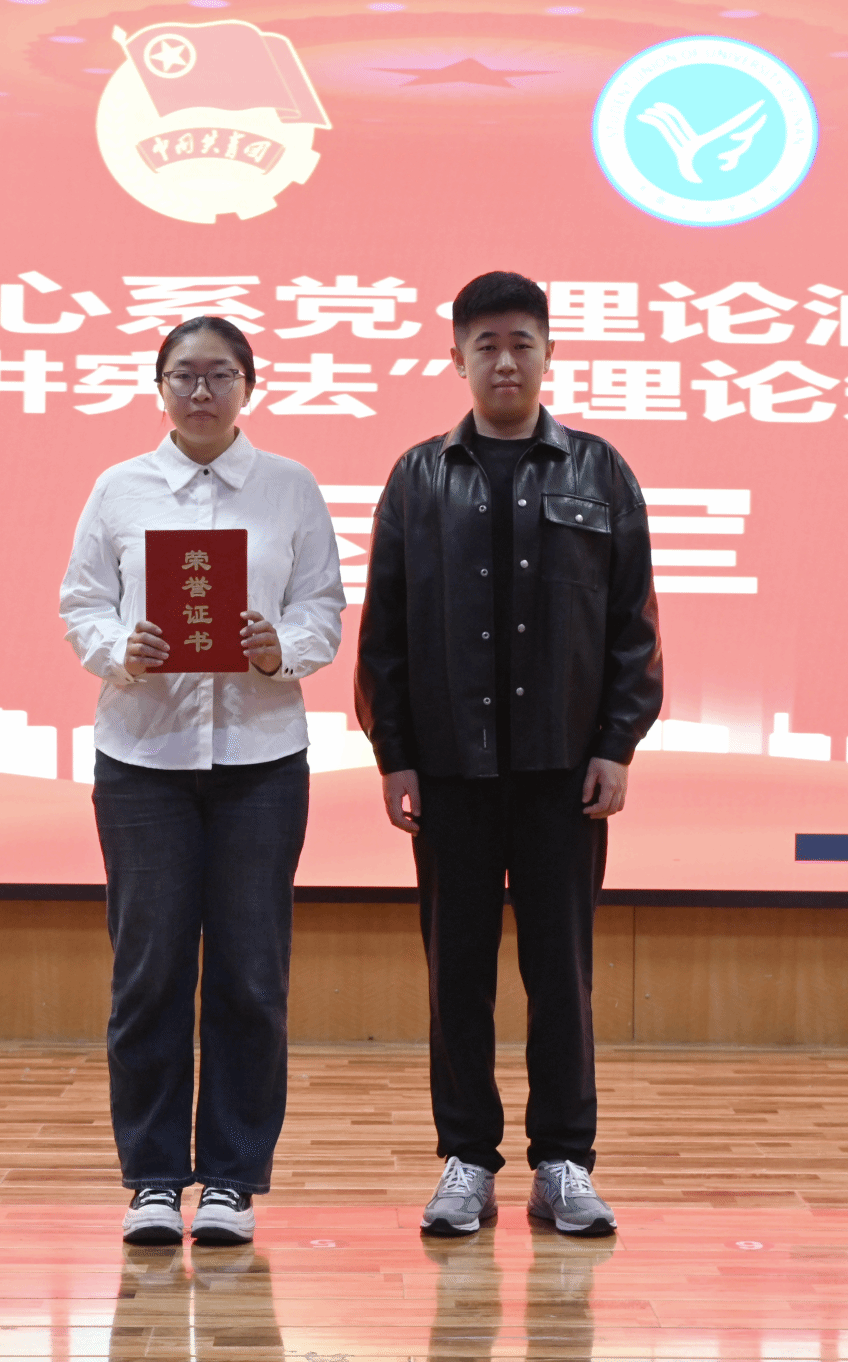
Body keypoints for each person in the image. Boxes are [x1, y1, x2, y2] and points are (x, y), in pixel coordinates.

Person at [355, 272, 663, 1238]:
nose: (504, 361)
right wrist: (395, 756)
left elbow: (632, 625)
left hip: (562, 774)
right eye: (484, 344)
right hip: (450, 772)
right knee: (457, 974)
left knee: (560, 974)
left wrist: (617, 744)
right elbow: (385, 632)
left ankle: (564, 1162)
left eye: (521, 342)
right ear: (457, 359)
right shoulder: (418, 477)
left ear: (549, 354)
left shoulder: (600, 471)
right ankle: (465, 1161)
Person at [60, 315, 345, 1247]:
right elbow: (82, 603)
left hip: (261, 761)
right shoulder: (118, 488)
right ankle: (151, 1179)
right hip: (144, 760)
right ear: (159, 387)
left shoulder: (290, 486)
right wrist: (120, 649)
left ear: (248, 386)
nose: (200, 391)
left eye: (220, 374)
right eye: (183, 375)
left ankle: (229, 1179)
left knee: (251, 976)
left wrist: (278, 649)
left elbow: (323, 606)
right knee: (148, 974)